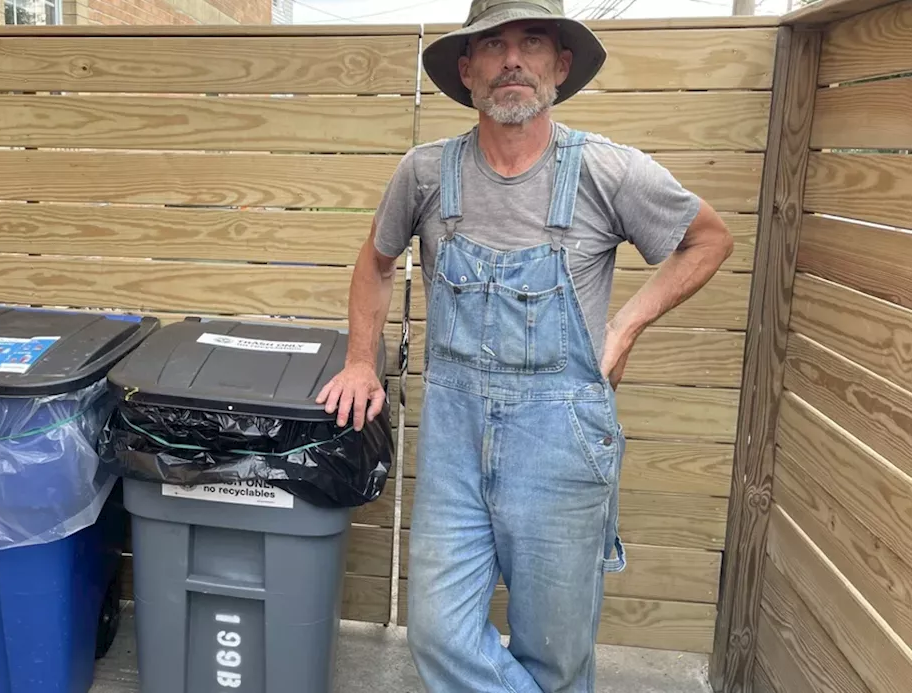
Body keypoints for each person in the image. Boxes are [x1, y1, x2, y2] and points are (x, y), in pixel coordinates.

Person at [315, 1, 735, 691]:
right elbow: (375, 263)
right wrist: (362, 358)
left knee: (556, 655)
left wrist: (625, 325)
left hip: (563, 444)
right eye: (494, 44)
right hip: (453, 445)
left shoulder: (608, 171)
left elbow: (709, 239)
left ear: (560, 65)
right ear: (467, 69)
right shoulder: (424, 175)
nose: (513, 58)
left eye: (532, 41)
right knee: (439, 632)